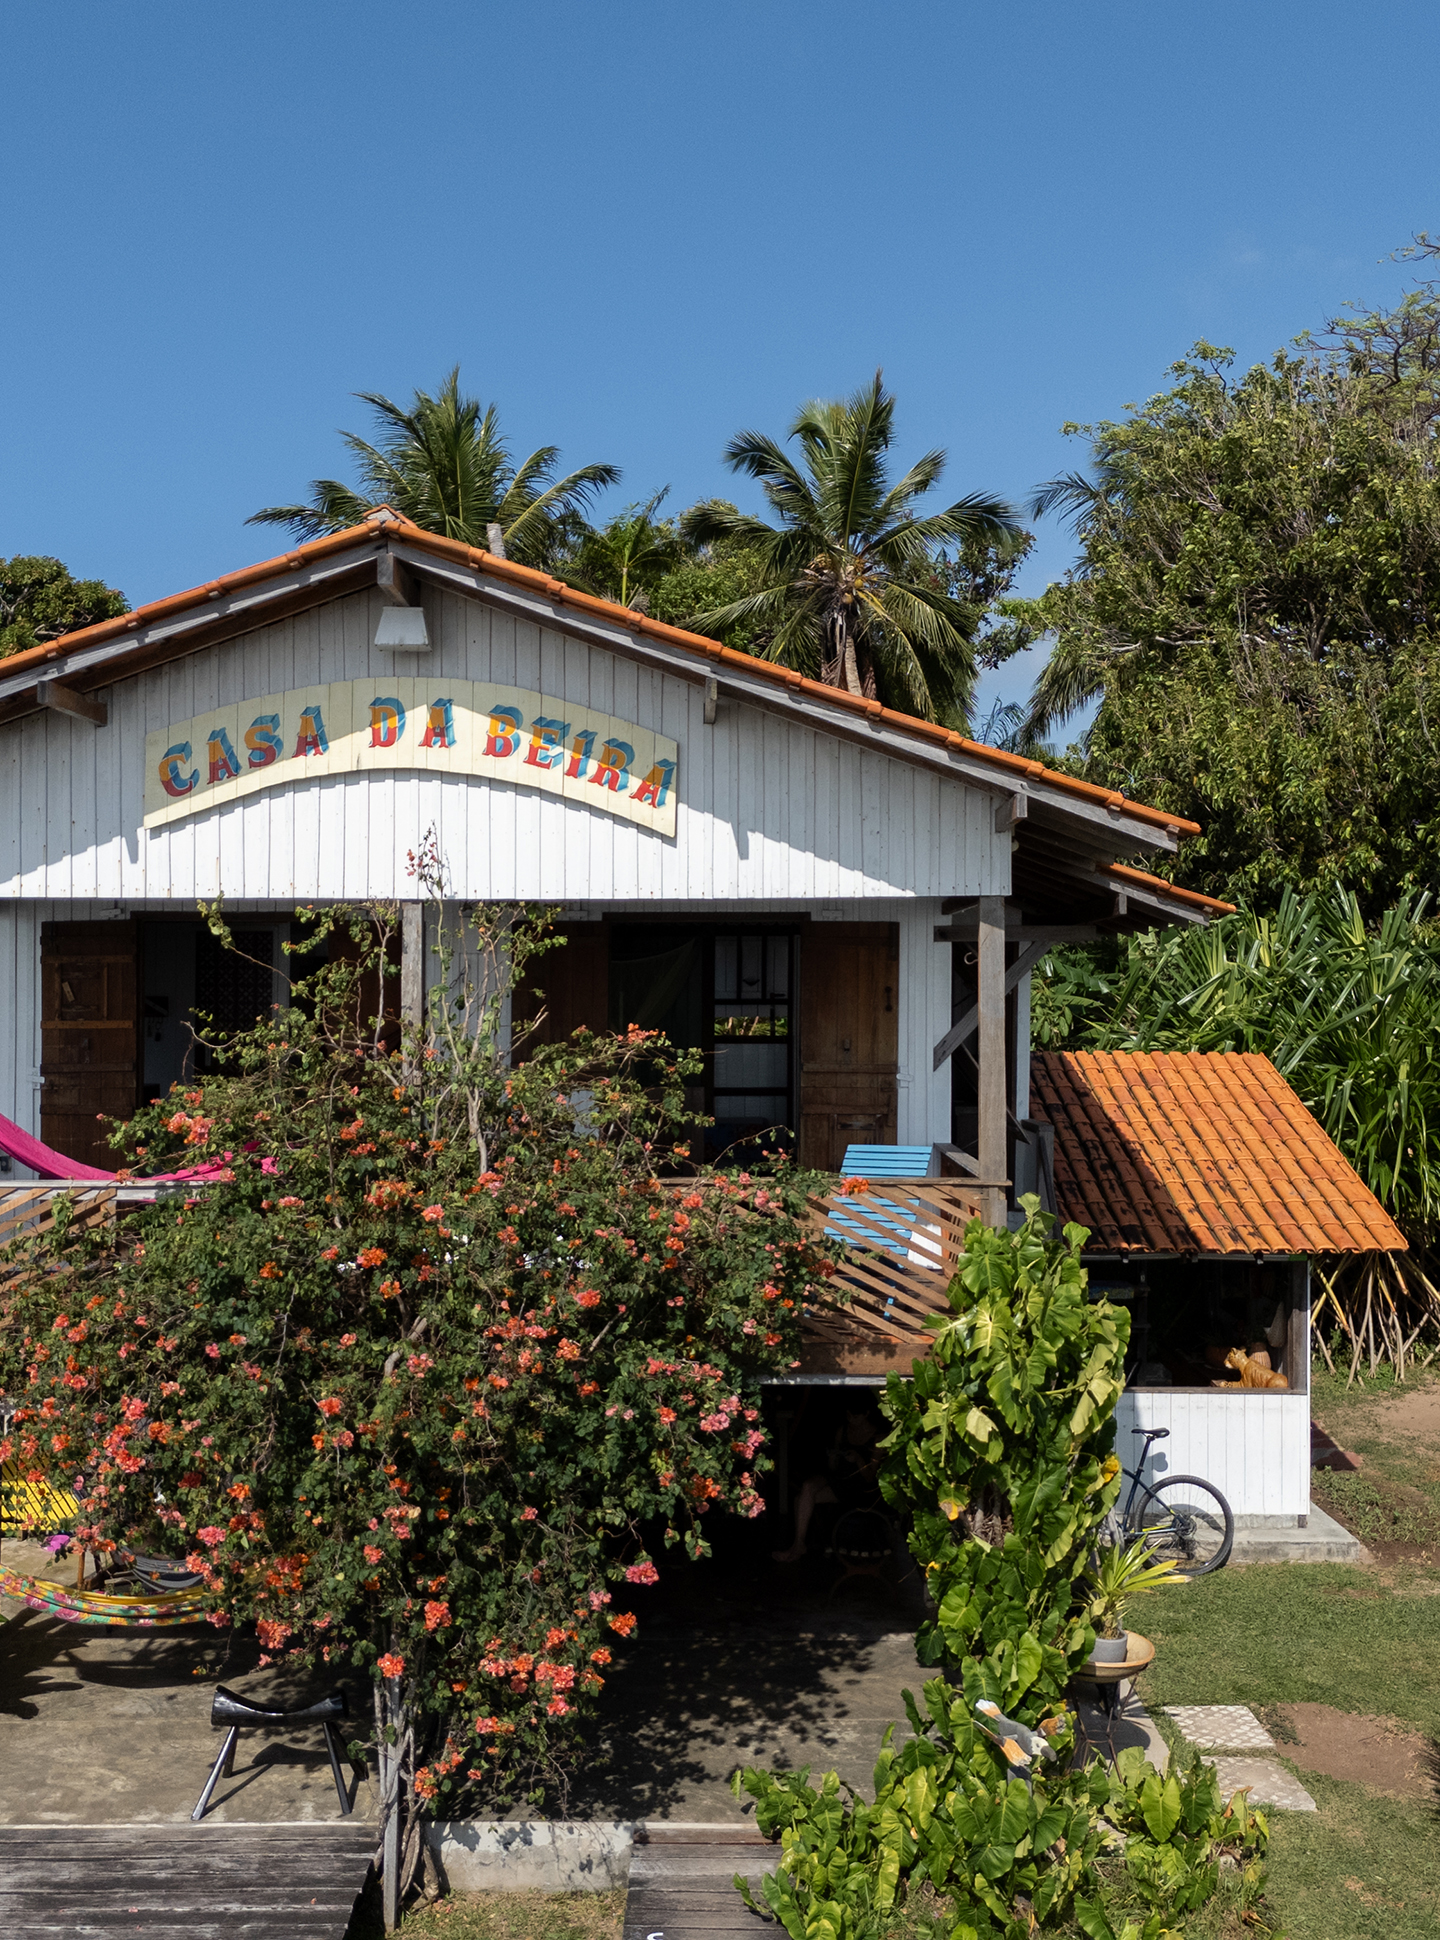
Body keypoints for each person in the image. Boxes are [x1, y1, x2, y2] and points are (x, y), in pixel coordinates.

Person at [771, 1403, 882, 1564]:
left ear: (866, 1414)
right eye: (848, 1416)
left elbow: (870, 1477)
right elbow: (832, 1469)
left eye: (855, 1417)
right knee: (807, 1487)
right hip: (838, 1478)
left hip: (858, 1486)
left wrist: (858, 1460)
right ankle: (799, 1544)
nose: (851, 1420)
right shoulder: (842, 1431)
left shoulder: (877, 1438)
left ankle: (798, 1546)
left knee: (800, 1500)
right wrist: (833, 1457)